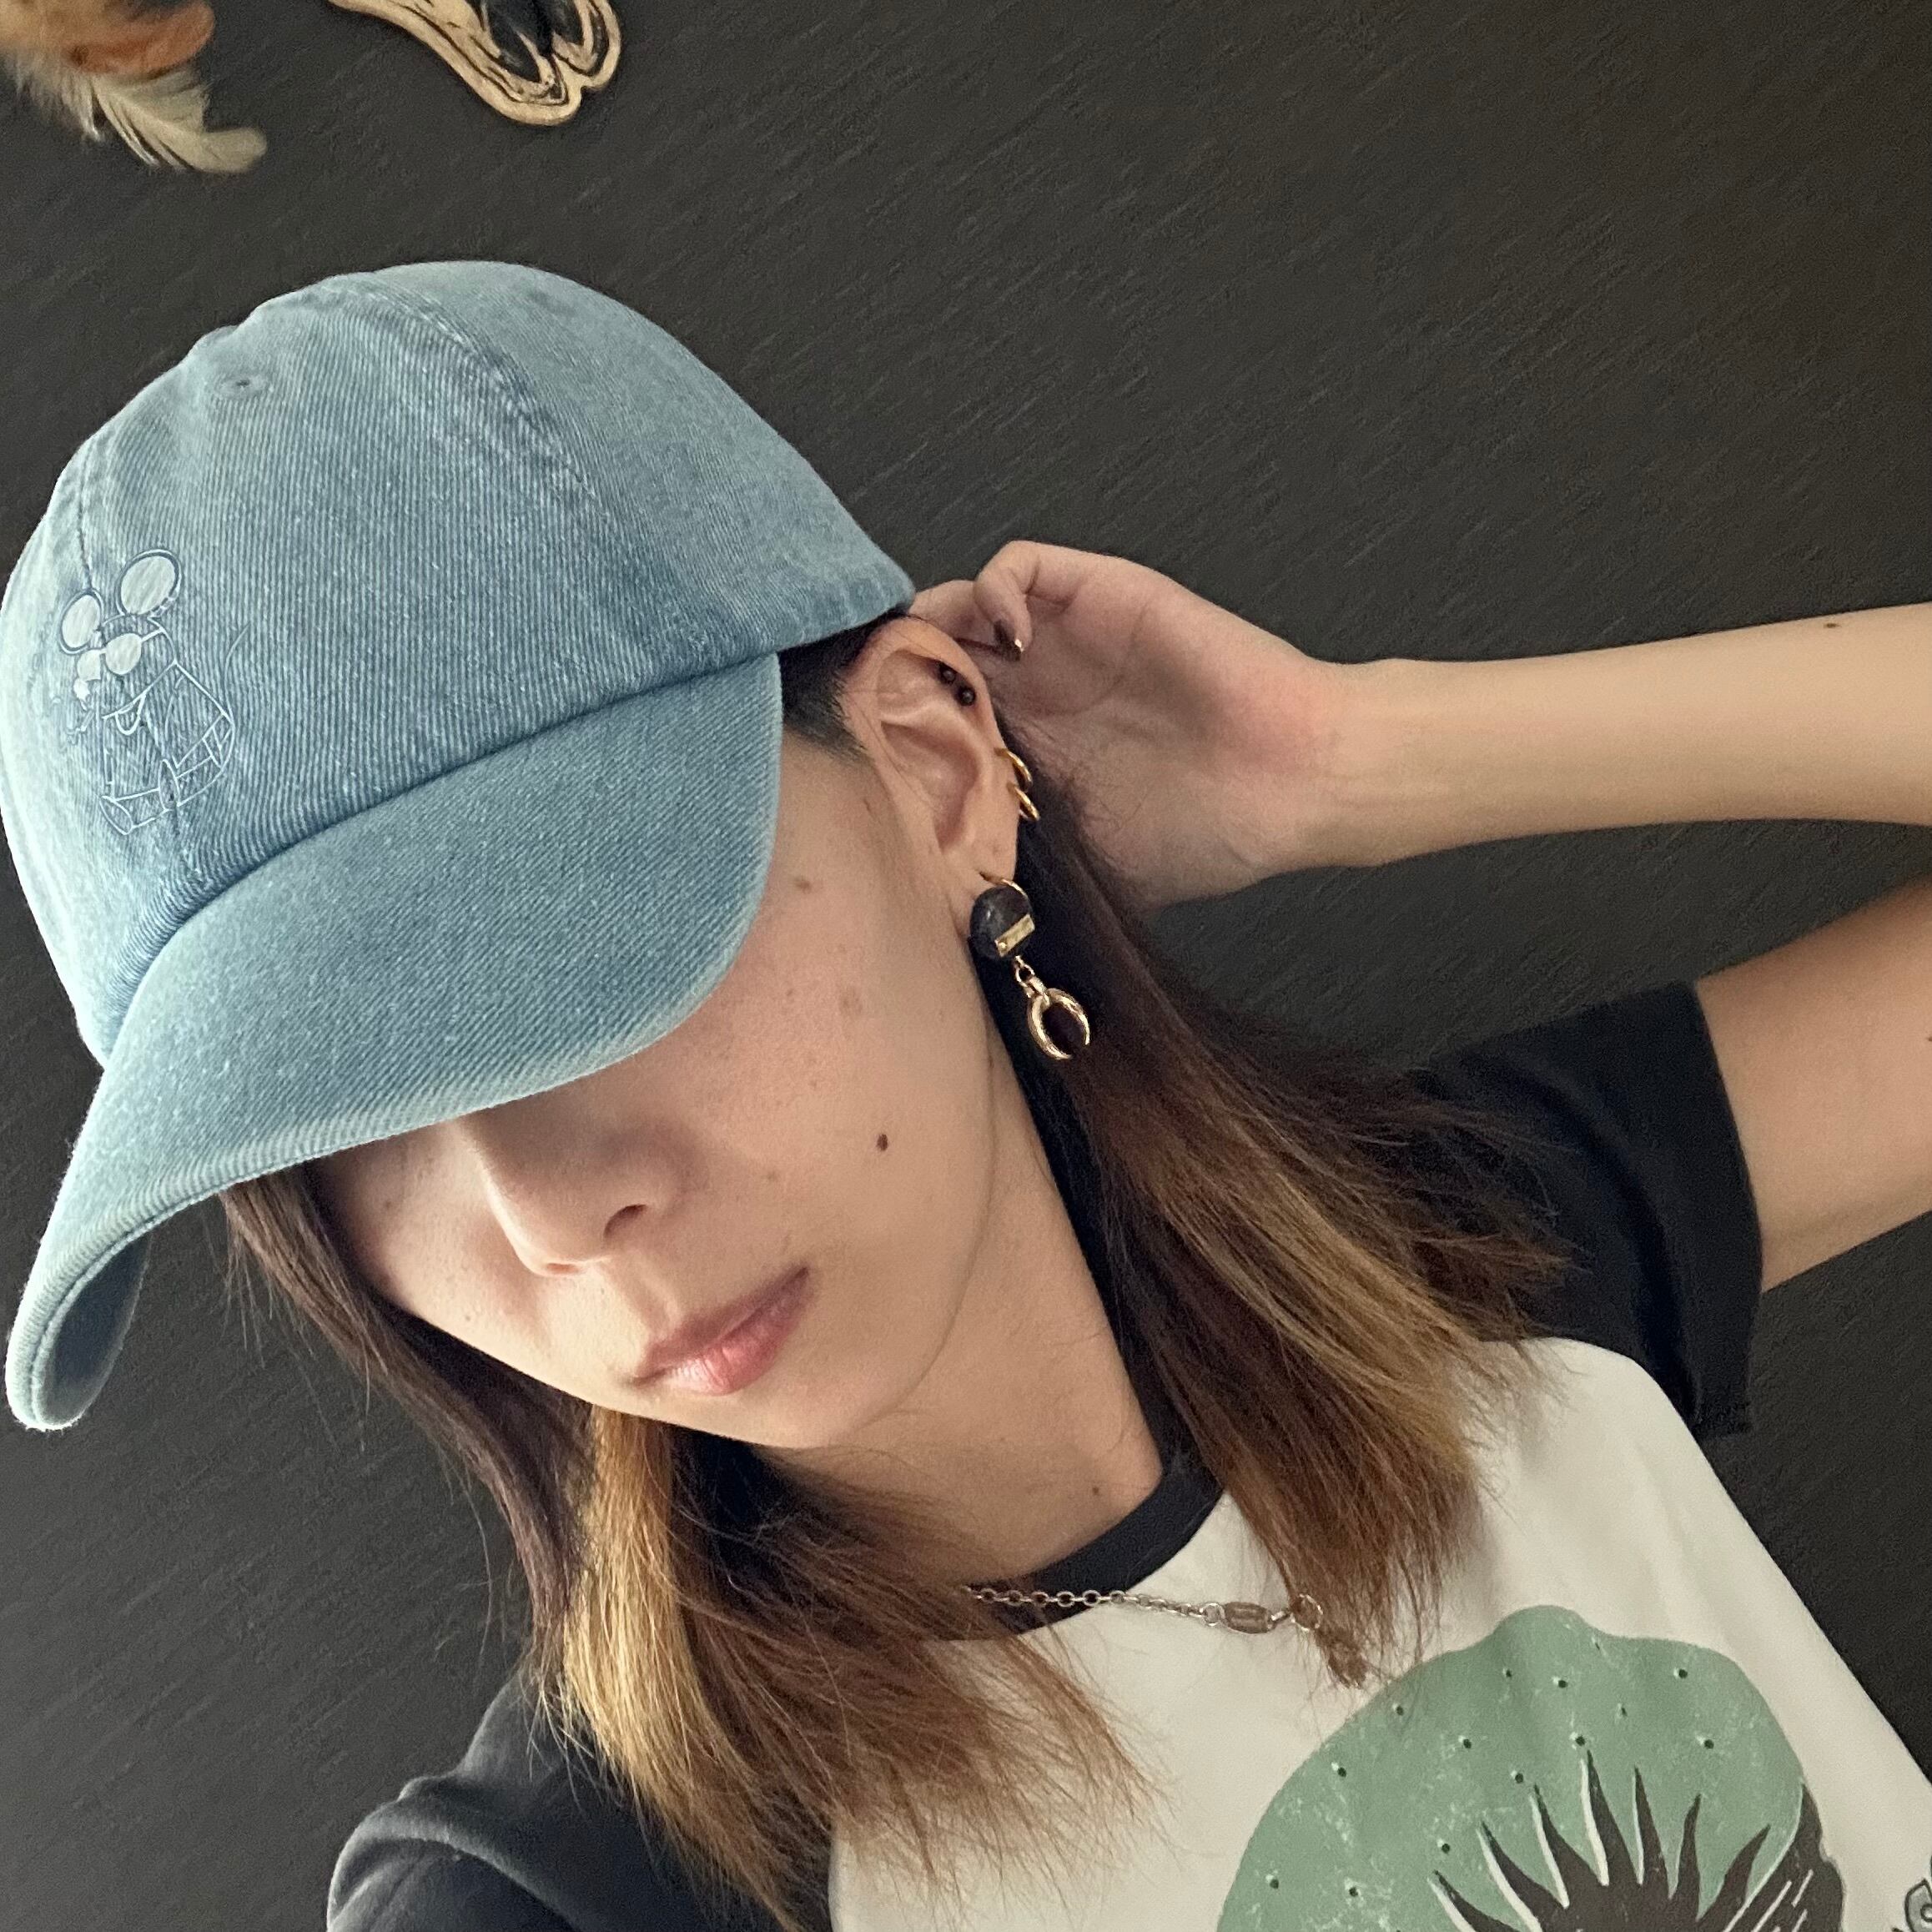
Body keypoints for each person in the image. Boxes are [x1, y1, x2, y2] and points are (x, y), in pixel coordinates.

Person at [1, 259, 1927, 1932]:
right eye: (340, 1131)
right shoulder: (586, 1889)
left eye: (576, 963)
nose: (544, 1215)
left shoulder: (1475, 1260)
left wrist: (1357, 762)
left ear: (932, 770)